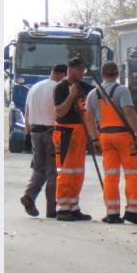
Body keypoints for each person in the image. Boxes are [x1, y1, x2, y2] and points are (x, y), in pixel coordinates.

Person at [84, 62, 137, 224]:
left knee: (110, 175)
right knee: (132, 174)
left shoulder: (92, 94)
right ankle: (132, 212)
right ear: (117, 74)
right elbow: (128, 112)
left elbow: (89, 118)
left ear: (103, 74)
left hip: (105, 136)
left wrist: (94, 139)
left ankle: (112, 213)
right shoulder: (122, 91)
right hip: (124, 136)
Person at [20, 64, 67, 218]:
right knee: (53, 171)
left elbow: (27, 113)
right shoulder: (58, 88)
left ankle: (29, 196)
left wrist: (27, 134)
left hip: (35, 132)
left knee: (39, 169)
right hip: (51, 132)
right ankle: (51, 209)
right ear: (62, 74)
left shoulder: (34, 88)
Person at [53, 56, 95, 221]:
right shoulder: (60, 88)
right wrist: (71, 96)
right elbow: (59, 112)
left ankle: (73, 206)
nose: (82, 74)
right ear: (70, 70)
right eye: (79, 70)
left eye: (84, 70)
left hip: (81, 132)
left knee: (78, 172)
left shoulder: (86, 88)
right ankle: (63, 208)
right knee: (65, 172)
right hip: (65, 132)